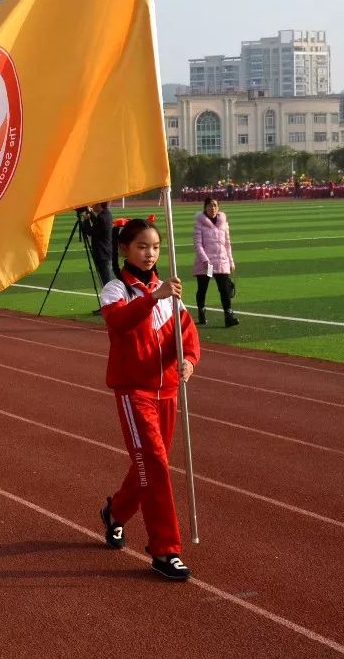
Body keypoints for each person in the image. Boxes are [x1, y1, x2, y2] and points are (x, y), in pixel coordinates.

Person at [97, 217, 200, 581]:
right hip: (134, 392)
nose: (150, 253)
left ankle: (116, 513)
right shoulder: (116, 291)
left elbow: (187, 335)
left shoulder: (170, 293)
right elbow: (119, 325)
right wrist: (151, 299)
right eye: (142, 247)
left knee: (148, 469)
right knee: (154, 465)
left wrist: (188, 360)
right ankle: (165, 550)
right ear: (125, 249)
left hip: (168, 391)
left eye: (155, 247)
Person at [193, 197, 238, 327]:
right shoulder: (199, 223)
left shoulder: (223, 222)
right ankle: (201, 313)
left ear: (218, 207)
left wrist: (231, 260)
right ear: (205, 207)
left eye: (215, 205)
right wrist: (205, 261)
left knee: (224, 289)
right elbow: (198, 245)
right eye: (209, 206)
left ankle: (229, 316)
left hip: (221, 261)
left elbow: (227, 243)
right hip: (207, 264)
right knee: (203, 288)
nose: (212, 208)